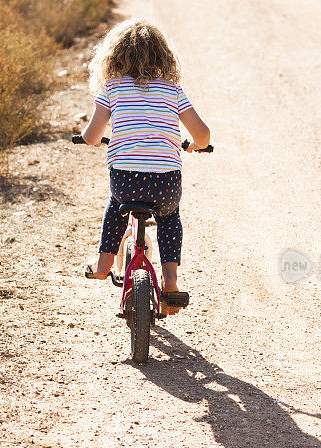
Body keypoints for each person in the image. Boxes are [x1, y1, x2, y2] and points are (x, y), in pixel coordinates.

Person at [81, 18, 210, 315]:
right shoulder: (172, 90)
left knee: (117, 205)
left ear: (115, 55)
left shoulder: (112, 88)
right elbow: (202, 134)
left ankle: (103, 264)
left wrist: (94, 140)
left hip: (127, 179)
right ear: (164, 56)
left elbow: (91, 135)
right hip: (165, 181)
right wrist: (194, 145)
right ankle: (171, 280)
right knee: (169, 217)